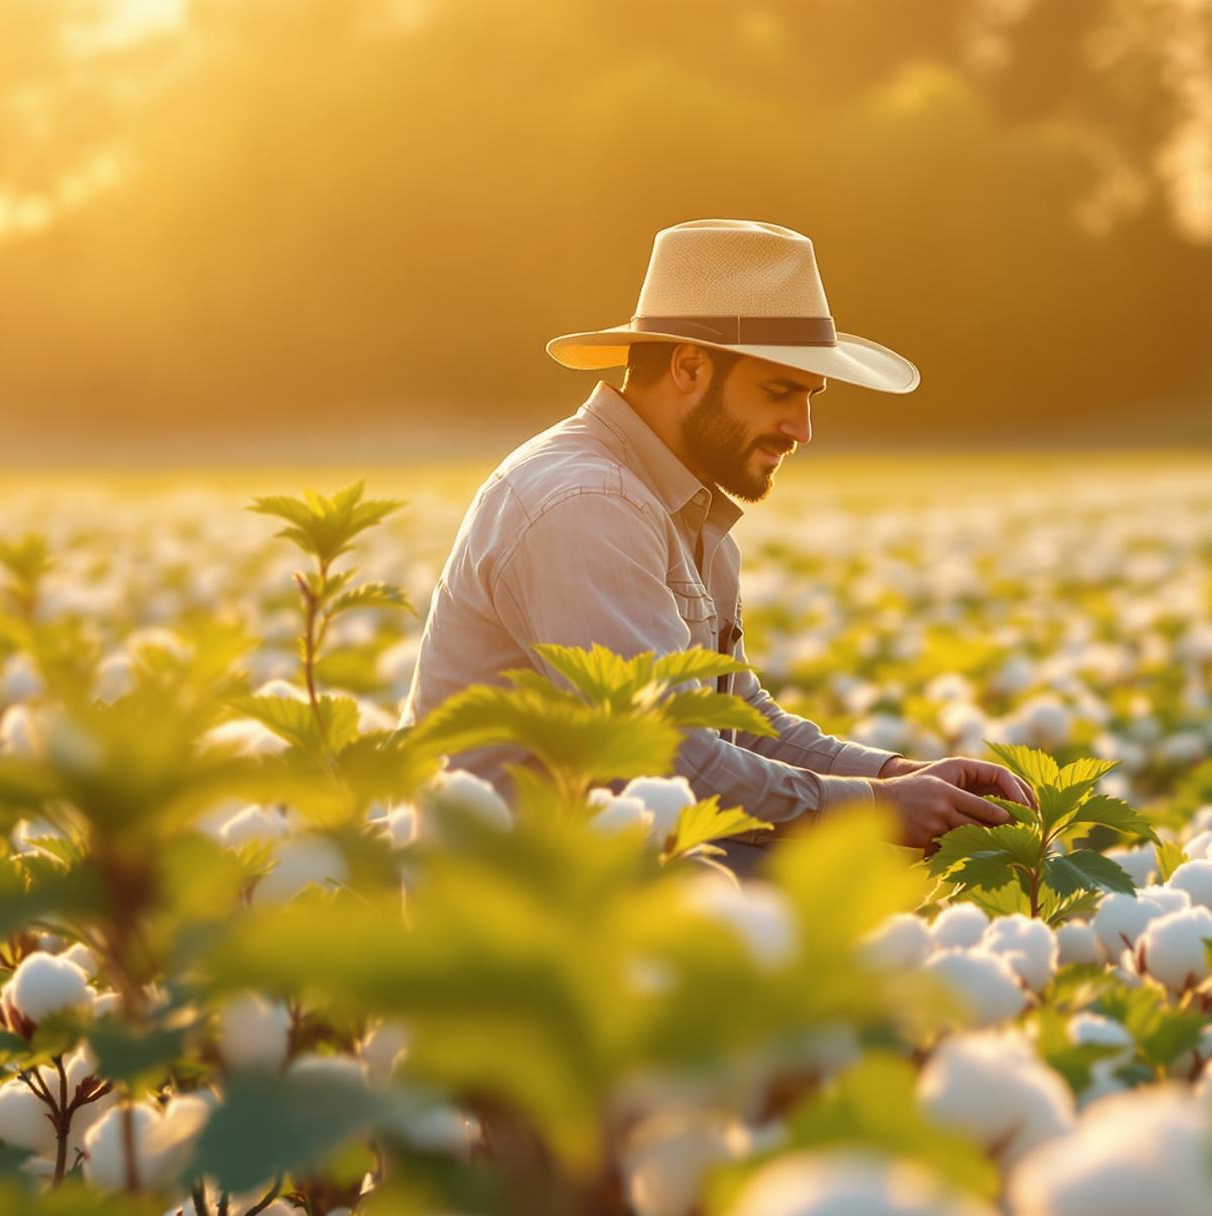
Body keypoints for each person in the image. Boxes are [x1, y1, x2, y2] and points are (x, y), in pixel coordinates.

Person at [400, 218, 1032, 872]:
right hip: (505, 900)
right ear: (690, 367)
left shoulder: (682, 506)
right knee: (846, 884)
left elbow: (738, 719)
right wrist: (874, 806)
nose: (802, 429)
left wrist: (902, 775)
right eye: (780, 391)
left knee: (898, 867)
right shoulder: (588, 505)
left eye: (811, 397)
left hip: (614, 860)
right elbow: (657, 758)